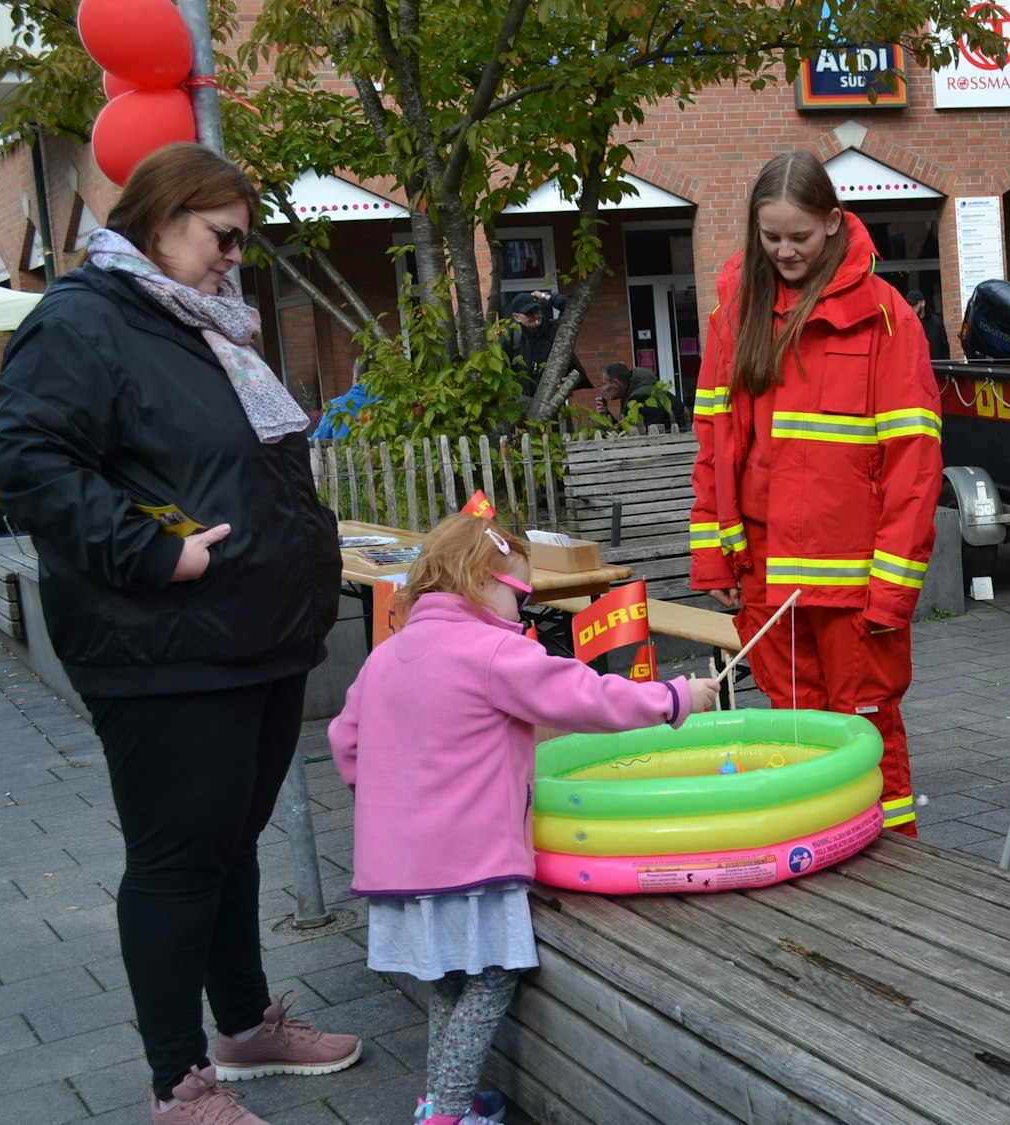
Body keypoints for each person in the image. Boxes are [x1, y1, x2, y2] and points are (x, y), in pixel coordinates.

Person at [0, 142, 357, 1124]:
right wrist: (155, 551)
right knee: (178, 862)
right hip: (165, 645)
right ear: (160, 217)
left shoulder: (199, 324)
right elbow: (27, 459)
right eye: (223, 237)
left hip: (253, 634)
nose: (235, 259)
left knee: (230, 847)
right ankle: (178, 1084)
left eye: (243, 243)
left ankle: (243, 1026)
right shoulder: (84, 320)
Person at [329, 515, 718, 1125]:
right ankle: (447, 1116)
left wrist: (392, 804)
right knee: (492, 977)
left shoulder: (387, 656)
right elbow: (587, 696)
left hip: (398, 865)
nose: (523, 609)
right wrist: (673, 699)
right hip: (471, 860)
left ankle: (443, 1098)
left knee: (449, 981)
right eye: (521, 594)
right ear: (482, 581)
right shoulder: (494, 652)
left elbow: (345, 741)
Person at [689, 151, 943, 837]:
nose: (785, 251)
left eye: (798, 235)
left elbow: (915, 468)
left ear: (833, 222)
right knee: (794, 730)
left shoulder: (886, 318)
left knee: (866, 728)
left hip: (854, 582)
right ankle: (814, 858)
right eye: (770, 236)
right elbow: (715, 446)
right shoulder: (735, 314)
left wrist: (892, 592)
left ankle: (896, 865)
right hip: (767, 575)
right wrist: (716, 557)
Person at [502, 289, 586, 403]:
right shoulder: (511, 337)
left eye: (537, 311)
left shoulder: (552, 330)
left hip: (551, 402)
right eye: (529, 313)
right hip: (522, 403)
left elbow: (572, 308)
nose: (535, 316)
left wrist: (544, 296)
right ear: (516, 317)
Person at [906, 288, 952, 360]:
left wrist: (946, 364)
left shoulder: (936, 321)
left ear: (923, 303)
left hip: (936, 364)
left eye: (914, 305)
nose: (911, 308)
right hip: (918, 365)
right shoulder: (907, 324)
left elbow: (944, 346)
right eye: (909, 305)